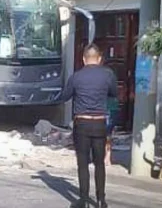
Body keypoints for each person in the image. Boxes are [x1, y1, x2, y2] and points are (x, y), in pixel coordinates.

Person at [59, 43, 117, 208]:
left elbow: (65, 96)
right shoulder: (108, 74)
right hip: (99, 123)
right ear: (99, 59)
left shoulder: (76, 76)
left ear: (84, 59)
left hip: (82, 123)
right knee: (99, 163)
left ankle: (83, 200)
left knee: (82, 162)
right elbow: (114, 93)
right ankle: (101, 200)